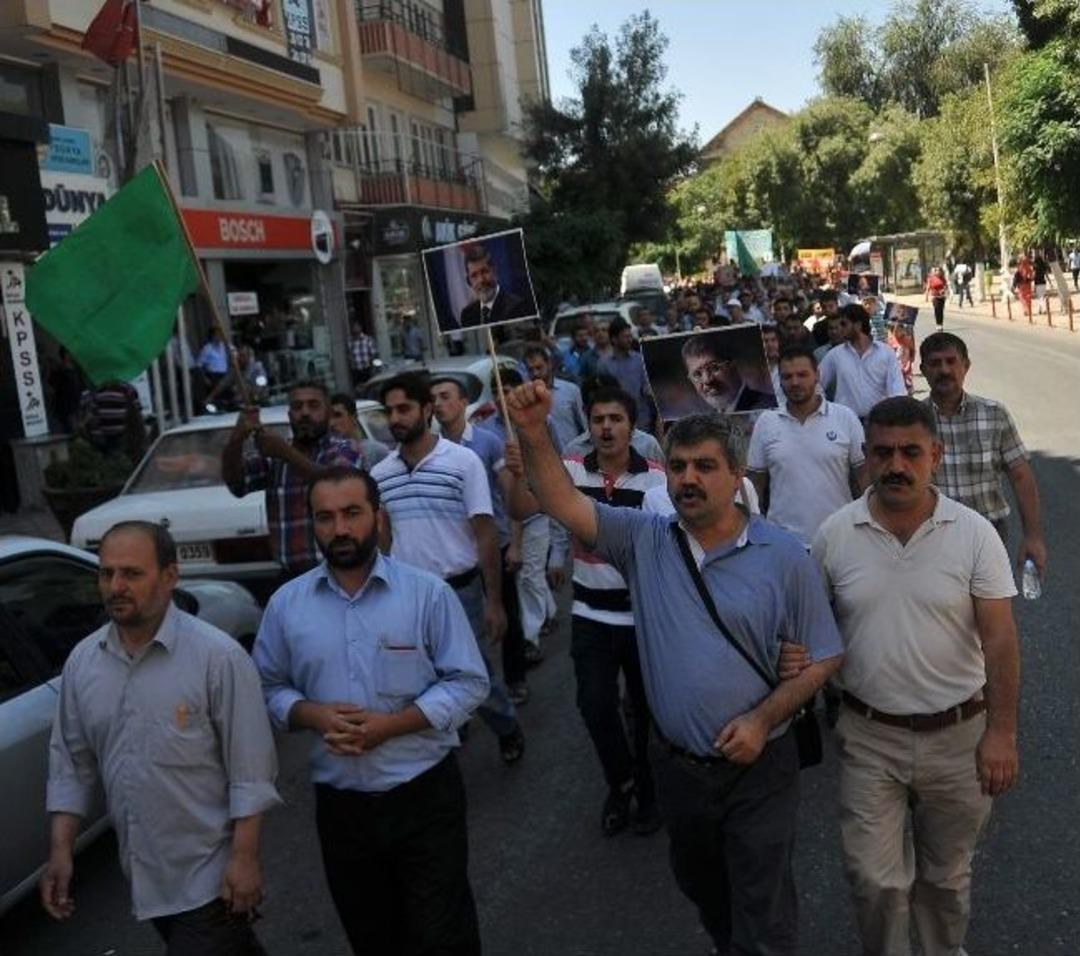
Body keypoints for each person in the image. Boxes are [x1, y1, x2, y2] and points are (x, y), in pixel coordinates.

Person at [506, 382, 844, 954]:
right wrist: (536, 432)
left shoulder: (785, 556)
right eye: (679, 466)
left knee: (763, 908)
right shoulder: (642, 540)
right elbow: (561, 501)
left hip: (761, 768)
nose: (688, 478)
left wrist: (763, 720)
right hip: (678, 768)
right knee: (702, 885)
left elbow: (826, 652)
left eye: (705, 467)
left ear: (737, 475)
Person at [806, 397, 1020, 956]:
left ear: (936, 456)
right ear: (867, 458)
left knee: (946, 880)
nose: (896, 465)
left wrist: (1002, 734)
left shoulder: (975, 534)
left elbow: (999, 640)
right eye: (882, 453)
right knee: (875, 880)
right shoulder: (833, 535)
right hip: (869, 736)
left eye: (910, 452)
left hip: (960, 737)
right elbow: (811, 628)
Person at [253, 468, 489, 956]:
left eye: (352, 514)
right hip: (343, 809)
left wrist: (392, 727)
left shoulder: (427, 593)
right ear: (312, 525)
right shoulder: (286, 607)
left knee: (444, 936)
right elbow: (268, 687)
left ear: (378, 518)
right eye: (326, 517)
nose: (340, 529)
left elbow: (468, 683)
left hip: (425, 795)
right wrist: (311, 715)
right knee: (373, 937)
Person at [43, 521, 279, 953]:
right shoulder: (83, 663)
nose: (116, 586)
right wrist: (61, 850)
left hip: (209, 875)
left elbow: (251, 772)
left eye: (131, 573)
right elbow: (71, 765)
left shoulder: (217, 658)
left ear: (170, 577)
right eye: (106, 573)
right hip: (145, 874)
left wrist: (244, 859)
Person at [370, 373, 525, 763]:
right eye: (389, 411)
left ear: (426, 410)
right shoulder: (381, 474)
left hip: (461, 591)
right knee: (419, 676)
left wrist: (494, 601)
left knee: (474, 676)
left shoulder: (462, 462)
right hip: (407, 597)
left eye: (404, 408)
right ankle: (442, 740)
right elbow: (385, 538)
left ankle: (506, 726)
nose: (396, 418)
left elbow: (485, 533)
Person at [431, 375, 530, 705]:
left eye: (446, 396)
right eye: (434, 399)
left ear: (462, 403)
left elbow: (509, 494)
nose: (439, 404)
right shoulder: (432, 449)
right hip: (458, 549)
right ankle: (469, 689)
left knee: (507, 613)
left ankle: (515, 678)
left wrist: (515, 543)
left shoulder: (487, 442)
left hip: (496, 540)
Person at [919, 332, 1047, 575]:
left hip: (988, 533)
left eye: (951, 361)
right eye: (935, 363)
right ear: (923, 370)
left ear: (966, 366)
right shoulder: (913, 420)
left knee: (990, 608)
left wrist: (1033, 537)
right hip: (928, 536)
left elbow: (1021, 476)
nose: (944, 370)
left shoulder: (994, 413)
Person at [222, 380, 365, 580]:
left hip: (338, 575)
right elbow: (236, 483)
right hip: (290, 578)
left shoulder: (345, 447)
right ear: (290, 415)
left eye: (313, 405)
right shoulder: (275, 456)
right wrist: (237, 437)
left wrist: (286, 453)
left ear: (328, 413)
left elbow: (337, 487)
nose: (305, 413)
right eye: (297, 407)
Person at [748, 347, 868, 549]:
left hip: (840, 539)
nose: (795, 382)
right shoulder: (766, 422)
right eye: (787, 377)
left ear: (817, 375)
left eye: (802, 375)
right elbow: (754, 486)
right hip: (783, 544)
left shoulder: (845, 417)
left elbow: (864, 479)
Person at [818, 304, 906, 420]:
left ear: (858, 325)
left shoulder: (885, 353)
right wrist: (825, 409)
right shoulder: (835, 355)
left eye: (844, 324)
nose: (840, 329)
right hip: (845, 422)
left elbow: (897, 389)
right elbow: (815, 383)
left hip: (879, 422)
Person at [681, 333, 775, 415]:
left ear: (734, 365)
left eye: (714, 368)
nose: (707, 380)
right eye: (697, 374)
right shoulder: (708, 418)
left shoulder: (769, 405)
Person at [598, 317, 656, 433]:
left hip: (641, 420)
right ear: (614, 339)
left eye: (630, 336)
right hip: (616, 421)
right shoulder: (603, 364)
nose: (630, 339)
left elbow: (646, 388)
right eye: (626, 337)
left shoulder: (639, 360)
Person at [523, 344, 587, 448]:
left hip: (574, 456)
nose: (535, 373)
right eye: (530, 370)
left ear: (549, 364)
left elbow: (584, 426)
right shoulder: (527, 398)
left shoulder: (571, 390)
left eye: (539, 367)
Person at [457, 243, 531, 328]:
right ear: (469, 281)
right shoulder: (467, 315)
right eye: (474, 275)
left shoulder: (517, 307)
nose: (481, 280)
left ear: (495, 271)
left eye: (484, 271)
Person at [328, 391, 391, 467]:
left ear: (354, 417)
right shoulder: (326, 455)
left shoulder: (377, 451)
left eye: (338, 415)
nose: (331, 423)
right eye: (327, 417)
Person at [347, 320, 379, 387]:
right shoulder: (350, 341)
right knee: (358, 388)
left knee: (369, 386)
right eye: (353, 327)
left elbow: (373, 354)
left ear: (360, 328)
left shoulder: (367, 339)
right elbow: (349, 355)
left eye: (356, 327)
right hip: (356, 370)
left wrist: (372, 367)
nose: (355, 329)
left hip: (366, 368)